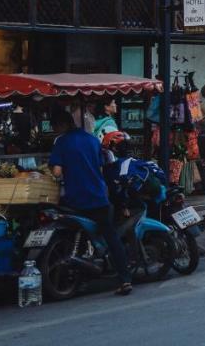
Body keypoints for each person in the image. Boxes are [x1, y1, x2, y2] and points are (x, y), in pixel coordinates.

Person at [49, 107, 132, 295]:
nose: (55, 130)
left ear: (62, 124)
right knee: (111, 238)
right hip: (98, 198)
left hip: (75, 199)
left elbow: (56, 172)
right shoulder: (92, 140)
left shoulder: (62, 143)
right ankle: (125, 278)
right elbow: (101, 168)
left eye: (55, 126)